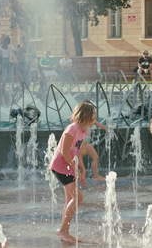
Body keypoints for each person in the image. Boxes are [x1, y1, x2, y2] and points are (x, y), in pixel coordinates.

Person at [50, 102, 98, 243]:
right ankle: (63, 231)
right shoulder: (72, 129)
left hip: (68, 167)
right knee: (78, 198)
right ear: (86, 116)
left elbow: (76, 152)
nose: (94, 119)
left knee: (70, 199)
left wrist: (81, 169)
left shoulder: (82, 131)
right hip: (61, 166)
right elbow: (64, 151)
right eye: (93, 116)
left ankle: (64, 232)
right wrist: (74, 167)